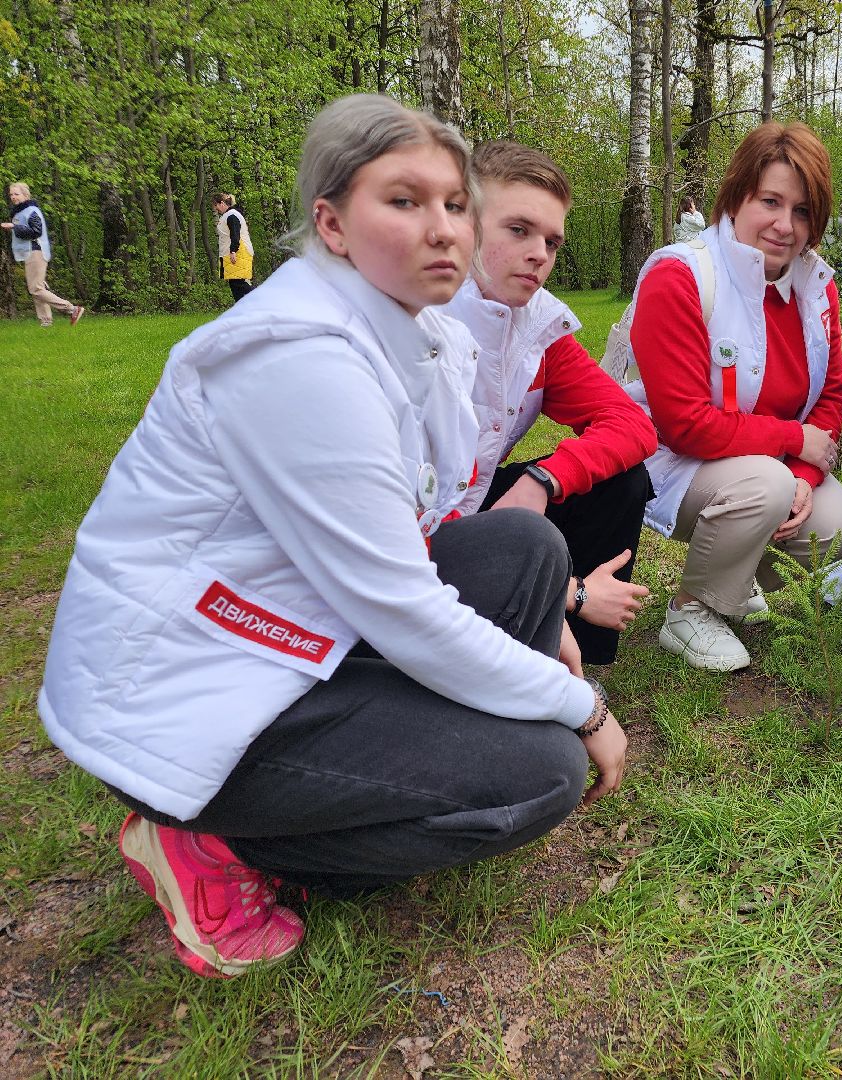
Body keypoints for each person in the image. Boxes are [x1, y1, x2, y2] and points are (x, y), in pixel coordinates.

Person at [38, 94, 626, 979]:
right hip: (188, 688)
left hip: (285, 639)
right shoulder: (299, 357)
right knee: (545, 772)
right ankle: (218, 847)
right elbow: (403, 607)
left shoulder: (417, 337)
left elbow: (433, 528)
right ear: (332, 224)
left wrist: (543, 632)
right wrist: (579, 703)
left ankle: (360, 773)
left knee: (527, 551)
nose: (443, 229)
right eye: (403, 200)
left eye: (455, 204)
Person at [626, 122, 842, 671]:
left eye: (802, 211)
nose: (785, 226)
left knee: (841, 524)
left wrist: (805, 479)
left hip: (771, 469)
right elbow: (684, 424)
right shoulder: (681, 276)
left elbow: (832, 396)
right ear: (735, 199)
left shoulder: (814, 285)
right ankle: (692, 611)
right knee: (768, 482)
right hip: (672, 461)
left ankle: (735, 578)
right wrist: (792, 443)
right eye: (770, 202)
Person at [437, 141, 657, 665]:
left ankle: (578, 659)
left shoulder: (536, 331)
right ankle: (547, 621)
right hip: (406, 530)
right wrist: (572, 594)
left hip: (472, 502)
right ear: (462, 222)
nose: (540, 253)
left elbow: (632, 426)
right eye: (519, 230)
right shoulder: (422, 319)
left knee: (622, 478)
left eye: (552, 241)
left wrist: (544, 480)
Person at [4, 182, 84, 326]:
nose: (13, 197)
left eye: (16, 194)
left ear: (25, 195)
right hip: (30, 252)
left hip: (36, 251)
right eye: (11, 194)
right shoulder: (20, 212)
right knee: (38, 287)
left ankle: (72, 309)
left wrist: (14, 227)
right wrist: (15, 227)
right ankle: (46, 321)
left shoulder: (31, 210)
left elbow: (36, 231)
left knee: (35, 289)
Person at [212, 194, 255, 304]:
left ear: (222, 203)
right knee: (235, 284)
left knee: (239, 283)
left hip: (238, 253)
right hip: (233, 253)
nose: (216, 209)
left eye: (216, 205)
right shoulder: (229, 215)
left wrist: (233, 251)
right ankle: (242, 310)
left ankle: (262, 299)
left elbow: (235, 234)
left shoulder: (232, 215)